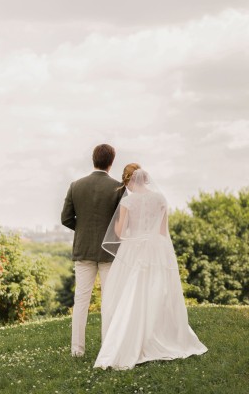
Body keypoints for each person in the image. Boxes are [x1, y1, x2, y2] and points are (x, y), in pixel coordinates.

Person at [94, 163, 208, 370]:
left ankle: (135, 336)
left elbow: (119, 232)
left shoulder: (129, 201)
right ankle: (161, 334)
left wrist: (127, 225)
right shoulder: (161, 199)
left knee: (132, 294)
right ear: (145, 178)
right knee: (158, 292)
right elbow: (163, 231)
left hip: (134, 250)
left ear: (129, 180)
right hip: (157, 250)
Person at [61, 144, 125, 357]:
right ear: (111, 162)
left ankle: (77, 350)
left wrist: (83, 230)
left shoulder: (75, 185)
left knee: (81, 300)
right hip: (109, 252)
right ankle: (108, 348)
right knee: (109, 300)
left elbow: (66, 218)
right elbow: (122, 224)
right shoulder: (118, 188)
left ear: (93, 159)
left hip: (84, 249)